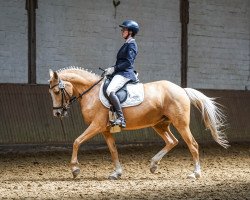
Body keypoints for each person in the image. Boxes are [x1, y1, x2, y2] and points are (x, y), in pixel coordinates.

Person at [105, 20, 139, 128]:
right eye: (122, 29)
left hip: (125, 73)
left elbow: (129, 62)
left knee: (110, 90)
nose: (122, 31)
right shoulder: (127, 44)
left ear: (130, 32)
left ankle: (121, 119)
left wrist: (114, 68)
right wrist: (111, 70)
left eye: (124, 29)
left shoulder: (132, 44)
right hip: (119, 72)